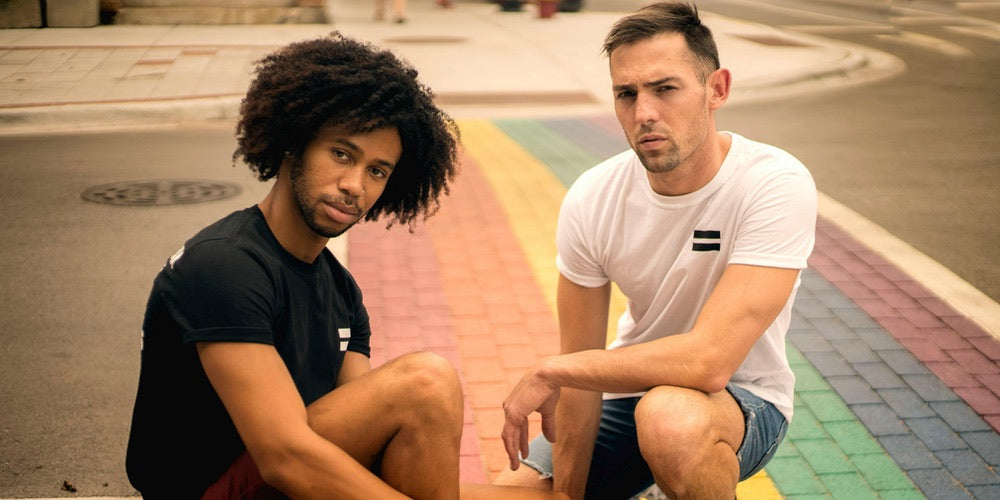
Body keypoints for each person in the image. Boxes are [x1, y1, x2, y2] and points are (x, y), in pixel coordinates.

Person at [124, 34, 563, 500]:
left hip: (299, 474)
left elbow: (368, 438)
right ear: (295, 141)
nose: (355, 185)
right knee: (425, 382)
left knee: (541, 498)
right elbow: (284, 458)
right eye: (341, 154)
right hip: (220, 488)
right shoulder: (225, 265)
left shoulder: (341, 289)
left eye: (377, 171)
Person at [495, 2, 817, 499]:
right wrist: (567, 494)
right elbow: (583, 374)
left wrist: (552, 370)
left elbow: (710, 361)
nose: (643, 113)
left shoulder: (773, 183)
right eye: (626, 94)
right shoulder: (593, 196)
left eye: (665, 89)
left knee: (668, 418)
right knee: (510, 494)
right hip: (628, 395)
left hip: (743, 400)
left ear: (717, 90)